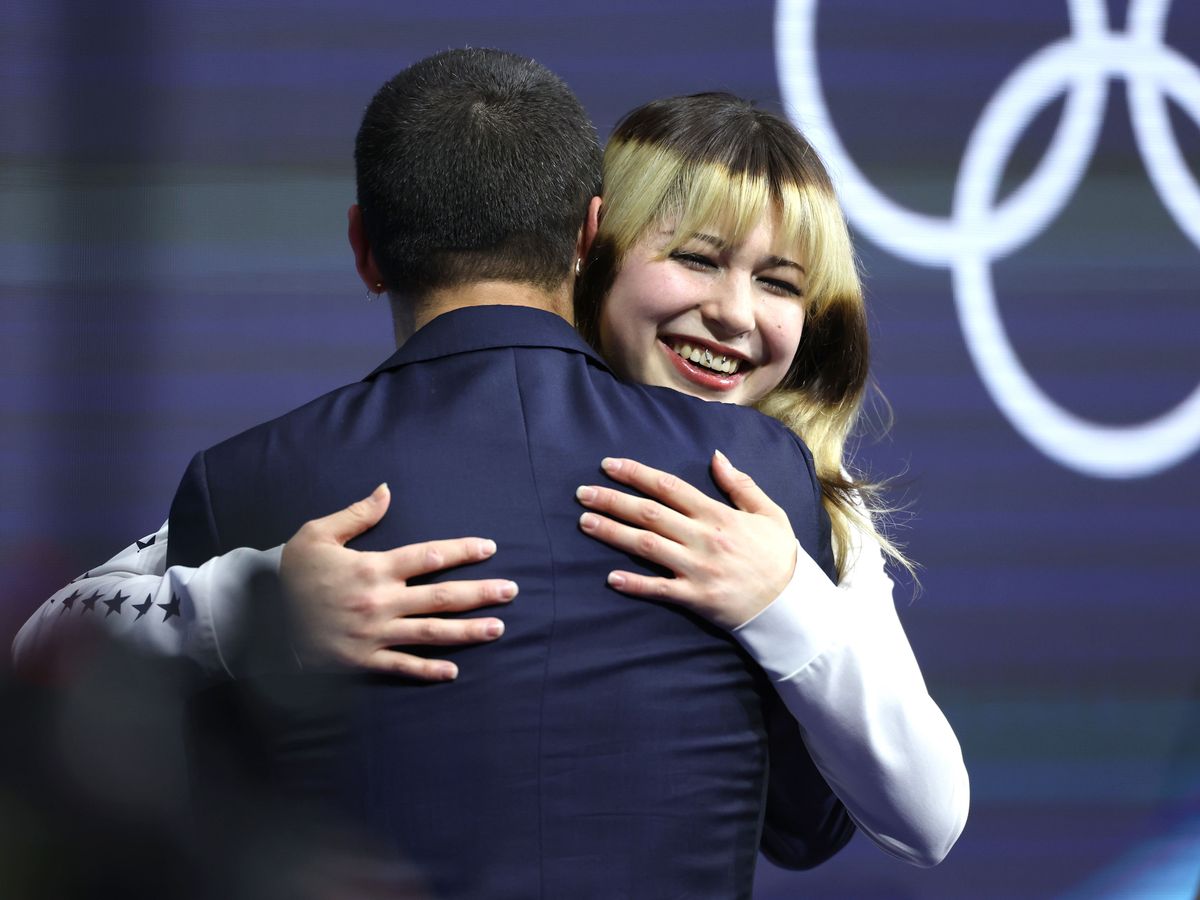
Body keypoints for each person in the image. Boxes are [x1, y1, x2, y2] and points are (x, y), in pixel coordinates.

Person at [14, 56, 967, 880]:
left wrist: (786, 591)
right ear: (591, 243)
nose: (732, 313)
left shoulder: (791, 497)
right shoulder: (296, 495)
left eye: (780, 284)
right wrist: (257, 599)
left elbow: (927, 815)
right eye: (697, 260)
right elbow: (49, 645)